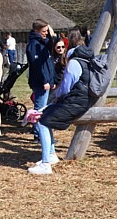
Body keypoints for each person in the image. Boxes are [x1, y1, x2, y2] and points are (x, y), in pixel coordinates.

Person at [28, 29, 87, 175]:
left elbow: (66, 88)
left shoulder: (73, 63)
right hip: (81, 99)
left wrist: (56, 98)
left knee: (41, 120)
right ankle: (52, 154)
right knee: (45, 115)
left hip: (75, 101)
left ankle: (46, 163)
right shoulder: (86, 60)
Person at [26, 19, 57, 169]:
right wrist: (45, 80)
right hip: (40, 84)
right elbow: (38, 65)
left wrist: (52, 79)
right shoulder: (34, 44)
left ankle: (50, 153)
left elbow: (48, 61)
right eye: (44, 31)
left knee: (44, 117)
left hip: (46, 83)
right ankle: (47, 151)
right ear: (37, 31)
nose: (46, 34)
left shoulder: (43, 42)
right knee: (41, 117)